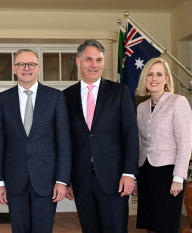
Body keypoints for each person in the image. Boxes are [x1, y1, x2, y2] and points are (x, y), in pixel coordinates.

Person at [63, 40, 139, 233]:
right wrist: (66, 179)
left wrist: (129, 174)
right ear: (78, 61)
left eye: (99, 60)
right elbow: (65, 141)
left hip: (115, 180)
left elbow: (130, 135)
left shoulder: (119, 92)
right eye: (88, 59)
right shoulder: (65, 97)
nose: (94, 65)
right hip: (81, 180)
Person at [0, 49, 72, 233]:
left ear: (38, 68)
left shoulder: (55, 97)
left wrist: (62, 180)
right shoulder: (3, 99)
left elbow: (64, 142)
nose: (26, 68)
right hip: (14, 181)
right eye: (21, 64)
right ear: (14, 69)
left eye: (31, 64)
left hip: (47, 181)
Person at [134, 58, 192, 233]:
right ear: (145, 79)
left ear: (166, 78)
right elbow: (138, 143)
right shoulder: (141, 107)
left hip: (168, 174)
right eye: (150, 74)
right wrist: (136, 177)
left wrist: (178, 178)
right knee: (151, 225)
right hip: (146, 171)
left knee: (166, 225)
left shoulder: (178, 102)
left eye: (159, 74)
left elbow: (185, 143)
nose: (154, 78)